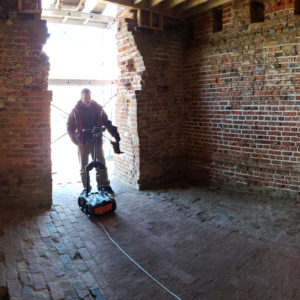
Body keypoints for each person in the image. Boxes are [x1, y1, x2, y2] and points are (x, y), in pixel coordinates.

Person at [67, 88, 120, 196]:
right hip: (83, 142)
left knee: (101, 164)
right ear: (81, 97)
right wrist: (75, 140)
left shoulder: (98, 109)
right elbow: (69, 127)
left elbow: (106, 122)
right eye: (86, 97)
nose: (88, 99)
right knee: (83, 167)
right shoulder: (76, 110)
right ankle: (86, 188)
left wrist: (115, 135)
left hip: (96, 141)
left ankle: (105, 186)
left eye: (89, 97)